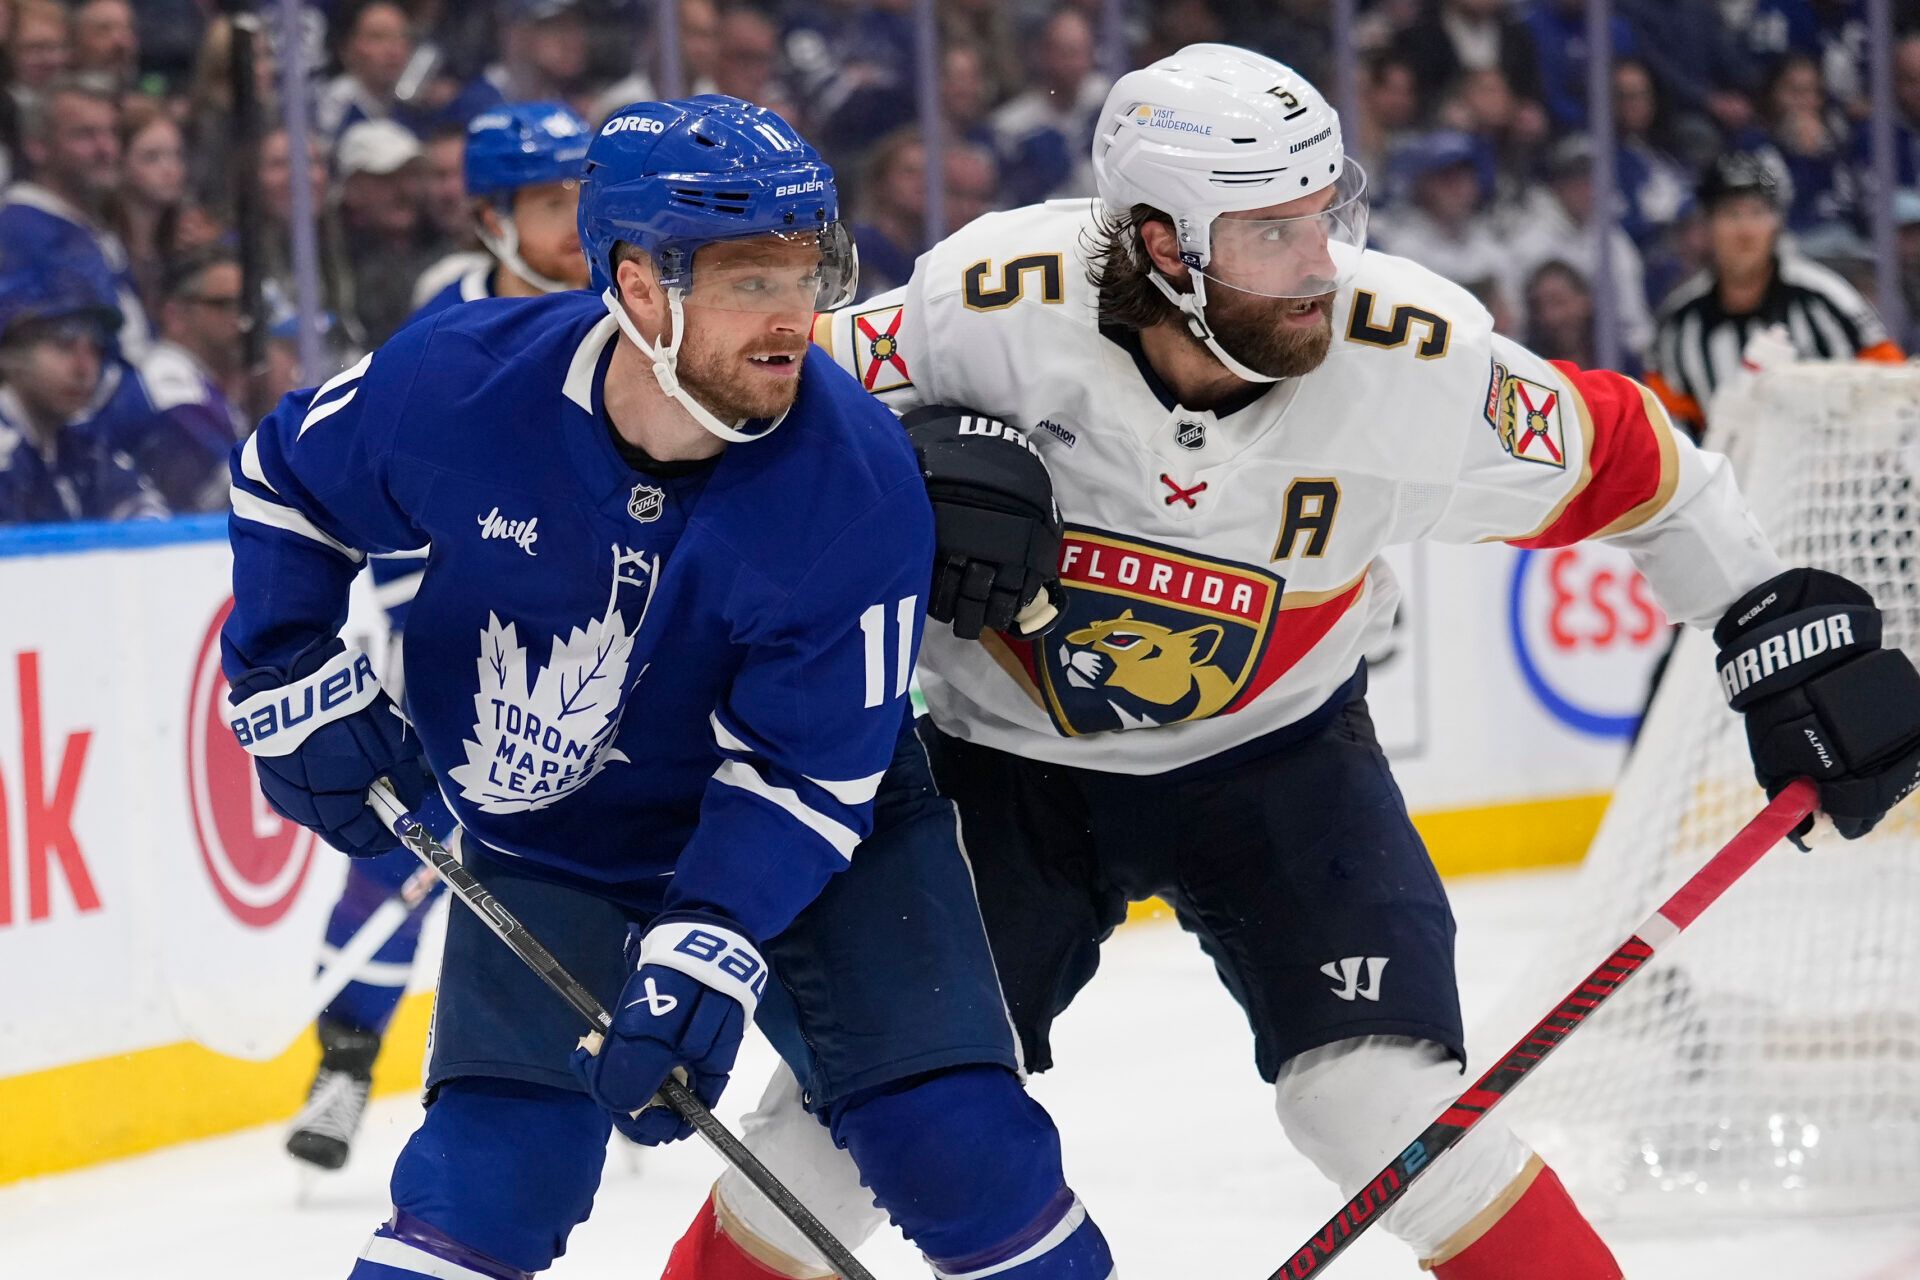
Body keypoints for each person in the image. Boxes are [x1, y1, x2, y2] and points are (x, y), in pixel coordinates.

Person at [668, 43, 1920, 1280]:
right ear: (1161, 243)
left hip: (1277, 762)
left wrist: (1768, 611)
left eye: (1328, 214)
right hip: (999, 770)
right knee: (835, 1132)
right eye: (1271, 232)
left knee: (1380, 1108)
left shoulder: (1418, 362)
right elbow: (751, 413)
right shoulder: (984, 306)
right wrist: (893, 488)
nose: (1321, 263)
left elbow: (1639, 462)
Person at [221, 94, 1114, 1280]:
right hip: (553, 828)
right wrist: (283, 664)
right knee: (485, 1182)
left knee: (962, 1149)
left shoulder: (855, 482)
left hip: (826, 836)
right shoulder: (459, 383)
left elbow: (806, 773)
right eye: (750, 279)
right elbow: (284, 480)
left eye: (808, 271)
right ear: (638, 284)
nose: (795, 317)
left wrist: (707, 940)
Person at [282, 102, 595, 1174]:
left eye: (583, 201)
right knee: (399, 845)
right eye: (551, 203)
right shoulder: (439, 332)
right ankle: (348, 1055)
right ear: (488, 216)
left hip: (605, 635)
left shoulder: (632, 314)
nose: (574, 225)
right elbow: (396, 481)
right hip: (460, 631)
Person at [1647, 151, 1904, 438]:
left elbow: (1893, 385)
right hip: (1728, 479)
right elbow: (1671, 428)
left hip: (1827, 475)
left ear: (1777, 224)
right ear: (1708, 225)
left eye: (1758, 213)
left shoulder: (1828, 300)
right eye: (1731, 214)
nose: (1745, 231)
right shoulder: (1679, 323)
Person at [0, 74, 149, 357]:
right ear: (37, 147)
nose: (106, 149)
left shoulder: (93, 227)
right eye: (85, 135)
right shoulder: (21, 233)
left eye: (111, 133)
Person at [0, 262, 162, 523]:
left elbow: (147, 522)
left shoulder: (80, 447)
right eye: (64, 344)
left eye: (96, 347)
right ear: (9, 355)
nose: (84, 368)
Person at [120, 247, 247, 513]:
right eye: (223, 305)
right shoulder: (166, 382)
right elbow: (227, 488)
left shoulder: (202, 381)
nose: (241, 319)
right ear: (175, 315)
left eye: (244, 304)